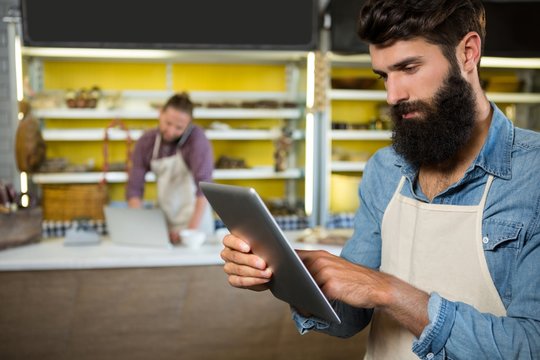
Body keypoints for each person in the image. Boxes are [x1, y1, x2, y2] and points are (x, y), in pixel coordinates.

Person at [220, 0, 540, 358]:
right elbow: (349, 317)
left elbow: (531, 345)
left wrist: (389, 291)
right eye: (384, 76)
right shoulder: (385, 170)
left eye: (408, 67)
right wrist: (291, 276)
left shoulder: (533, 175)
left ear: (468, 53)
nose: (393, 95)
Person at [127, 92, 214, 244]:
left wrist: (190, 232)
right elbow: (134, 190)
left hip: (196, 224)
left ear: (188, 125)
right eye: (168, 123)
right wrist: (142, 228)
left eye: (179, 127)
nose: (171, 131)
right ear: (160, 113)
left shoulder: (197, 140)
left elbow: (204, 189)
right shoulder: (146, 142)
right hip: (165, 222)